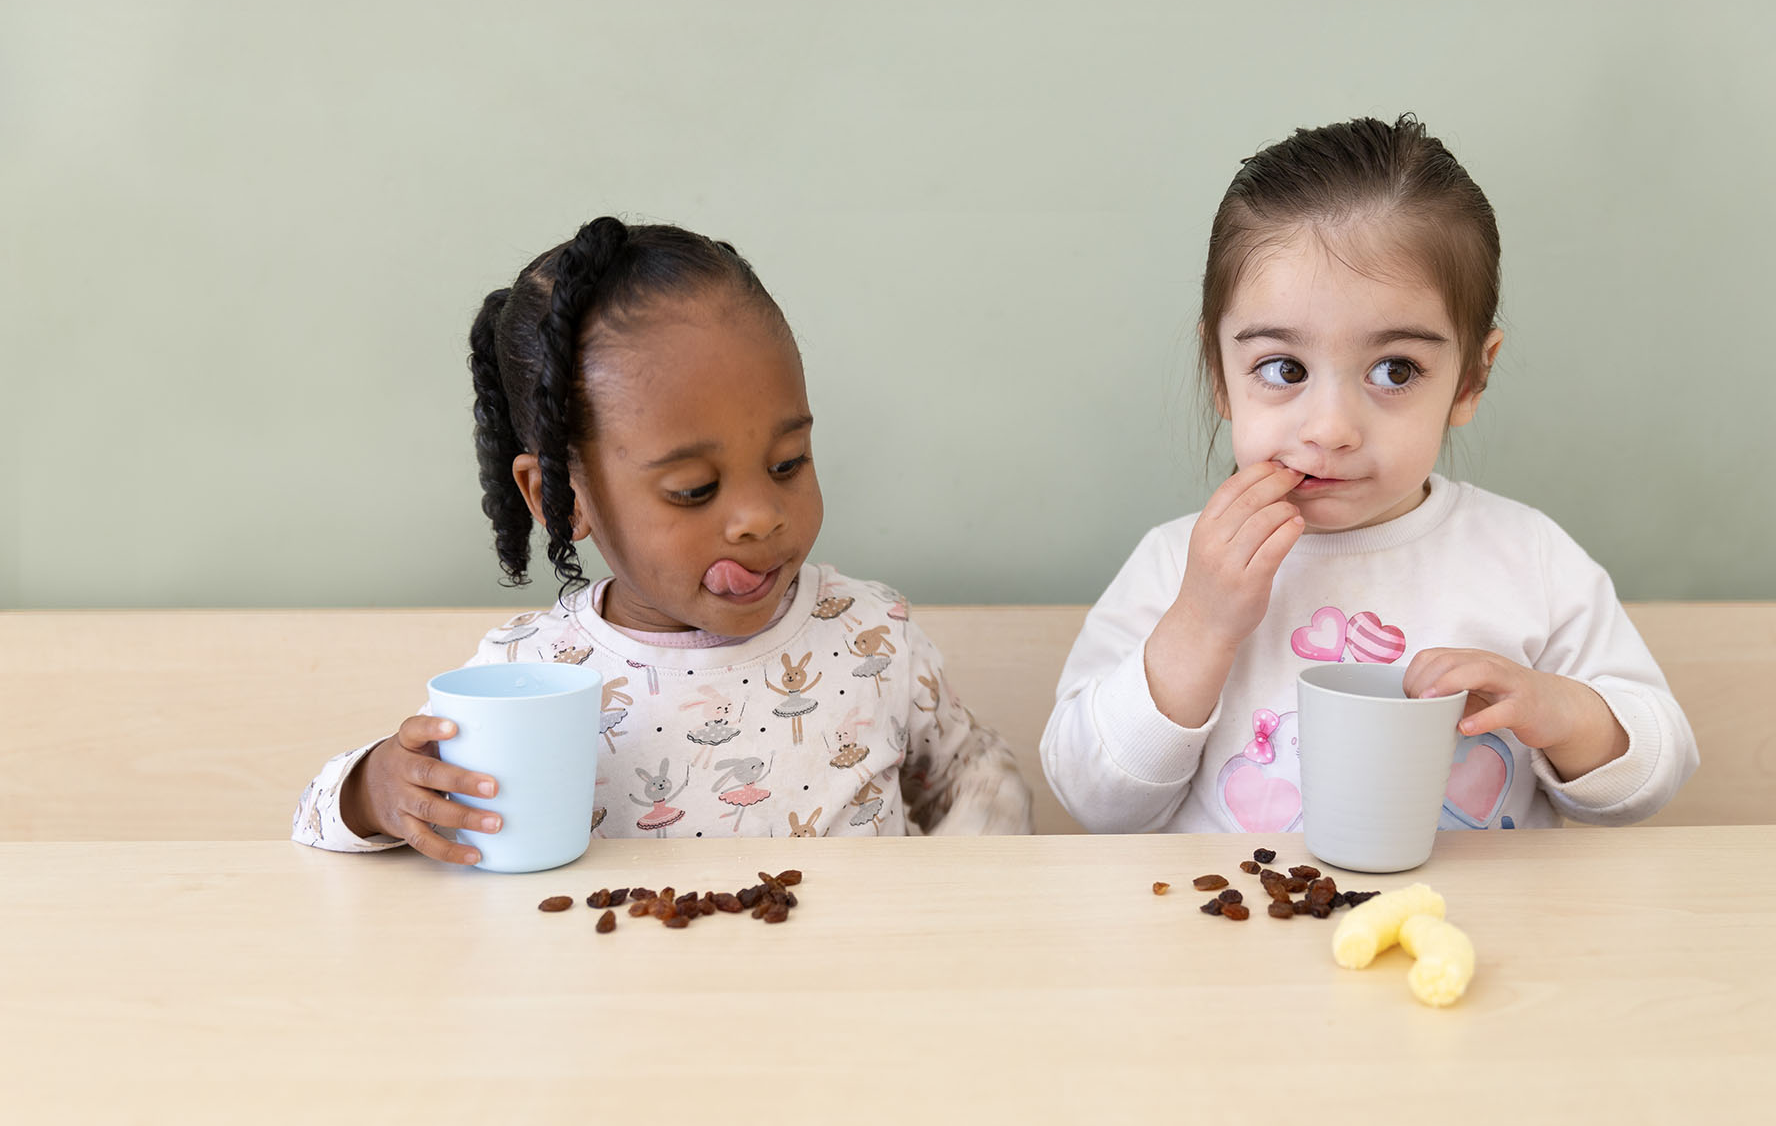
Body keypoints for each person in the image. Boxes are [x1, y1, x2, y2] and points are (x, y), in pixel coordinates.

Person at [295, 216, 1031, 858]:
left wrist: (959, 878)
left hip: (843, 1004)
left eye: (787, 463)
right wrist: (375, 790)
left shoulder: (873, 638)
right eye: (694, 490)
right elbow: (317, 823)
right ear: (562, 498)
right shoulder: (528, 671)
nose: (758, 516)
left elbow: (976, 773)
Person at [1042, 116, 1697, 835]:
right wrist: (1198, 625)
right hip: (1235, 944)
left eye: (1395, 371)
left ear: (1472, 379)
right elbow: (1092, 799)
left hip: (1472, 942)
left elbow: (1655, 774)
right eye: (1283, 369)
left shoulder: (1526, 557)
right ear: (1220, 376)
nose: (1330, 428)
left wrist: (1562, 713)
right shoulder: (1176, 566)